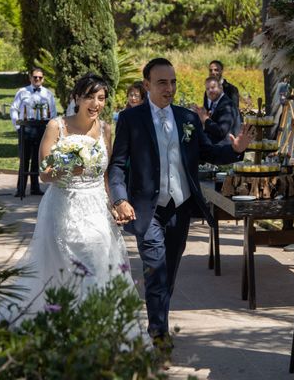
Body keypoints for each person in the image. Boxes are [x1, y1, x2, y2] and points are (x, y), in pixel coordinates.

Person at [108, 57, 255, 348]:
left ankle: (158, 318)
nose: (170, 88)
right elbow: (116, 166)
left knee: (169, 270)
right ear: (147, 85)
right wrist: (120, 199)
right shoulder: (130, 120)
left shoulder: (186, 119)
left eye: (173, 82)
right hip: (147, 208)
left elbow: (209, 152)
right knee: (155, 268)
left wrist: (235, 150)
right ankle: (159, 332)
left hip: (181, 206)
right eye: (162, 82)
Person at [0, 73, 139, 328]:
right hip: (63, 208)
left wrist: (116, 203)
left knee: (97, 265)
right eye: (89, 97)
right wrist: (67, 169)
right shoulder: (57, 126)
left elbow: (107, 174)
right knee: (64, 269)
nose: (96, 104)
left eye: (101, 98)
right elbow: (43, 174)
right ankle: (66, 325)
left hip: (96, 209)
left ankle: (95, 327)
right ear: (76, 97)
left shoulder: (106, 129)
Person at [10, 68, 57, 197]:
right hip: (25, 128)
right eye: (35, 77)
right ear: (30, 78)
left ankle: (35, 188)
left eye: (40, 78)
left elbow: (53, 112)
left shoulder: (48, 94)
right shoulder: (22, 92)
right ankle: (21, 189)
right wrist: (18, 126)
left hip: (41, 128)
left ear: (43, 79)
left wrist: (49, 128)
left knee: (37, 159)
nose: (37, 80)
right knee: (24, 159)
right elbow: (13, 109)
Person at [194, 76, 240, 145]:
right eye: (207, 89)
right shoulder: (215, 103)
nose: (210, 91)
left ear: (221, 87)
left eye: (213, 87)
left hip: (224, 150)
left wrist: (205, 119)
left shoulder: (227, 105)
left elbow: (221, 131)